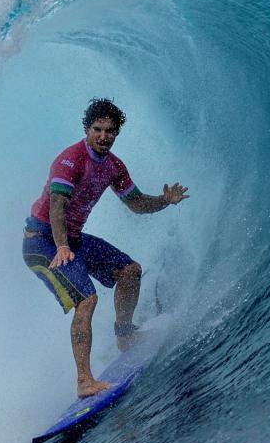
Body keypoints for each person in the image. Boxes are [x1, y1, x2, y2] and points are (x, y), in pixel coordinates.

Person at [23, 98, 190, 398]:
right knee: (87, 299)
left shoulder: (113, 166)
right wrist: (61, 246)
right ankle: (84, 382)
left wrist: (166, 200)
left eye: (110, 131)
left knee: (130, 271)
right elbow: (57, 208)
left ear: (117, 133)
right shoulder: (70, 161)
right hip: (42, 241)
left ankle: (125, 336)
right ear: (87, 129)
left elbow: (137, 204)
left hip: (71, 240)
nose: (103, 136)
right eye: (97, 129)